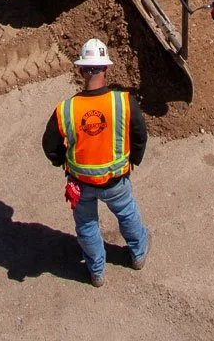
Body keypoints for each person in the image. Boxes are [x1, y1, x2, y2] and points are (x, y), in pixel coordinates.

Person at [42, 38, 150, 288]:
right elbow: (140, 135)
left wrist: (63, 162)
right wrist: (134, 159)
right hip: (116, 181)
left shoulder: (66, 109)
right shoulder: (122, 102)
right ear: (106, 69)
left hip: (80, 183)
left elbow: (50, 146)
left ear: (81, 70)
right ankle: (138, 254)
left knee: (87, 225)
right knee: (126, 213)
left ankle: (97, 271)